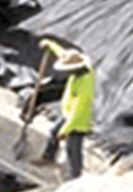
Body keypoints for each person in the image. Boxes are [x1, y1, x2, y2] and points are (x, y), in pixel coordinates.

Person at [38, 40, 94, 180]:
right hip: (67, 113)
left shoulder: (85, 84)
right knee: (53, 132)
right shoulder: (79, 67)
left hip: (78, 121)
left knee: (72, 149)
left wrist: (66, 129)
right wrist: (50, 45)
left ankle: (75, 177)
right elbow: (63, 53)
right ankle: (48, 157)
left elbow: (78, 109)